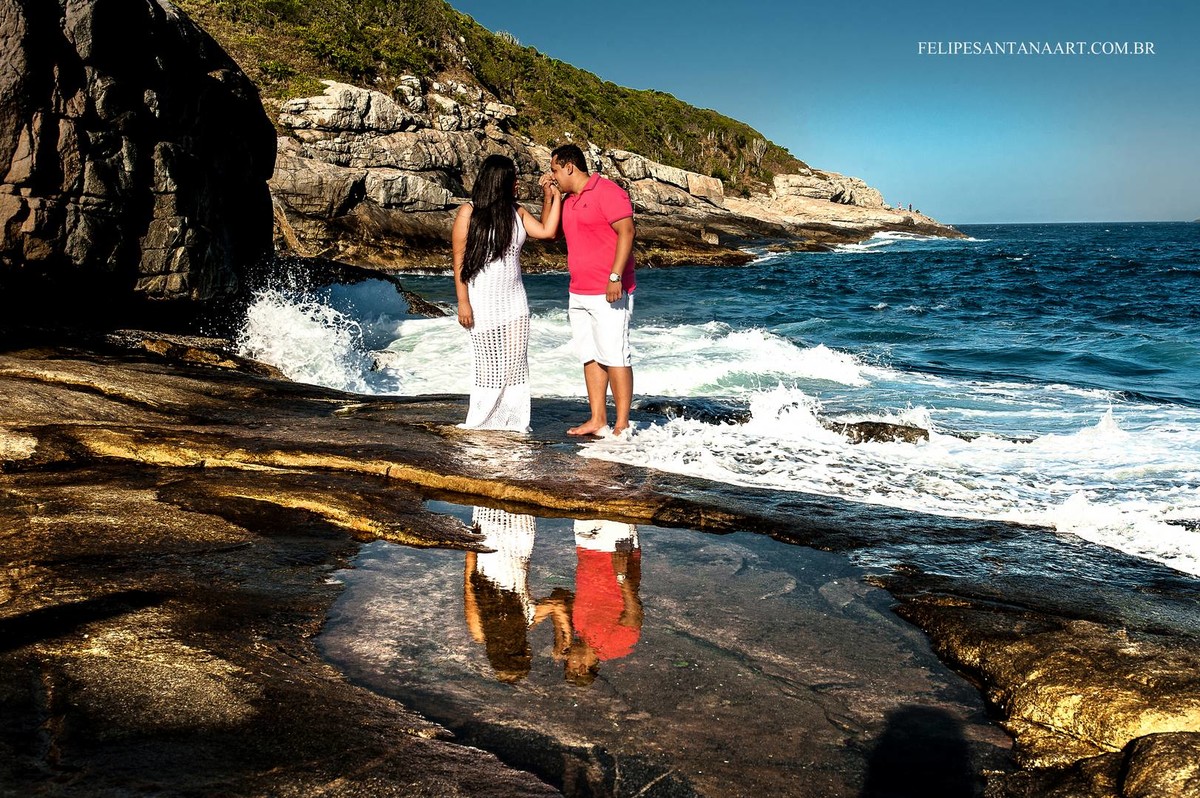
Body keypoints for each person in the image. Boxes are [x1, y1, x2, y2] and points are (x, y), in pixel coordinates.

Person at [453, 154, 561, 431]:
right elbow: (459, 261)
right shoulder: (469, 212)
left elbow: (548, 232)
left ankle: (513, 422)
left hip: (515, 303)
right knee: (488, 369)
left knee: (515, 367)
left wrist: (551, 195)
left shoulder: (518, 211)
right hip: (482, 302)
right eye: (513, 179)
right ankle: (482, 420)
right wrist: (463, 303)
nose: (517, 184)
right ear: (500, 181)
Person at [547, 144, 636, 437]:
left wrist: (615, 276)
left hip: (609, 289)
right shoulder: (569, 200)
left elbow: (627, 231)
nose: (553, 175)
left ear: (569, 166)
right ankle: (598, 418)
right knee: (590, 354)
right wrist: (549, 195)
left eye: (555, 169)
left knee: (615, 355)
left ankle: (622, 424)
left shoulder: (608, 191)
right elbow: (551, 233)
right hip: (578, 291)